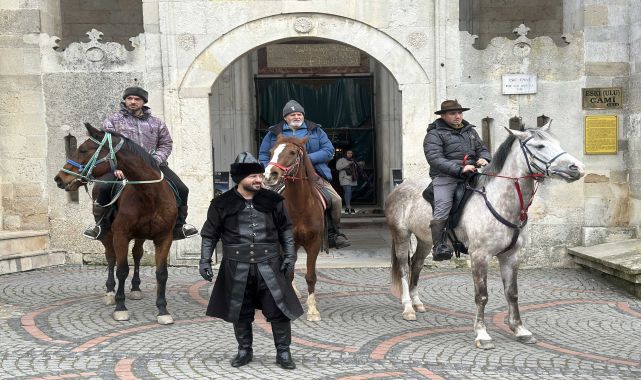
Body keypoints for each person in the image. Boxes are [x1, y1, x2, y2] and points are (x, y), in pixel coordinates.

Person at [199, 152, 303, 369]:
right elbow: (210, 234)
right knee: (240, 309)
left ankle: (283, 352)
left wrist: (290, 255)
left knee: (279, 309)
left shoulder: (274, 200)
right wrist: (205, 260)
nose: (259, 180)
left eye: (259, 175)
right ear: (239, 179)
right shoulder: (221, 203)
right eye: (253, 177)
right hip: (236, 266)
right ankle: (244, 350)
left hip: (270, 263)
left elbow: (285, 228)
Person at [83, 86, 198, 240]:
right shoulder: (112, 121)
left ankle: (179, 226)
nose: (132, 102)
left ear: (143, 102)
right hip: (121, 167)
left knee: (182, 189)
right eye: (129, 98)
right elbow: (106, 146)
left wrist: (154, 161)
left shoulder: (157, 123)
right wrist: (116, 166)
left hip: (156, 167)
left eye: (137, 99)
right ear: (125, 100)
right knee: (103, 188)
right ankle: (100, 226)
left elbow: (166, 144)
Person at [258, 100, 350, 249]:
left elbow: (329, 151)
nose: (296, 116)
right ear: (285, 118)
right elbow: (263, 154)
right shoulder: (273, 133)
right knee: (263, 201)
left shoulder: (316, 131)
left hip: (313, 174)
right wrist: (268, 169)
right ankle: (265, 234)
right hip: (281, 175)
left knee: (336, 200)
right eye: (292, 114)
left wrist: (305, 160)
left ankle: (334, 234)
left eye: (299, 114)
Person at [423, 99, 491, 261]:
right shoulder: (434, 134)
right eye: (453, 113)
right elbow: (435, 158)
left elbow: (482, 149)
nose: (457, 116)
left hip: (472, 173)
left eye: (459, 113)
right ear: (444, 116)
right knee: (443, 205)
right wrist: (460, 169)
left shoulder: (470, 131)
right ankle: (439, 246)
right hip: (445, 176)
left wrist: (484, 158)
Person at [335, 149, 363, 214]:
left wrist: (359, 164)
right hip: (344, 178)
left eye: (351, 153)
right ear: (345, 153)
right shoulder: (341, 160)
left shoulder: (353, 160)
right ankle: (348, 207)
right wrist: (348, 164)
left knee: (349, 192)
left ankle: (348, 205)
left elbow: (357, 168)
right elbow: (337, 167)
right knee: (348, 191)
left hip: (352, 178)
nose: (350, 154)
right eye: (348, 153)